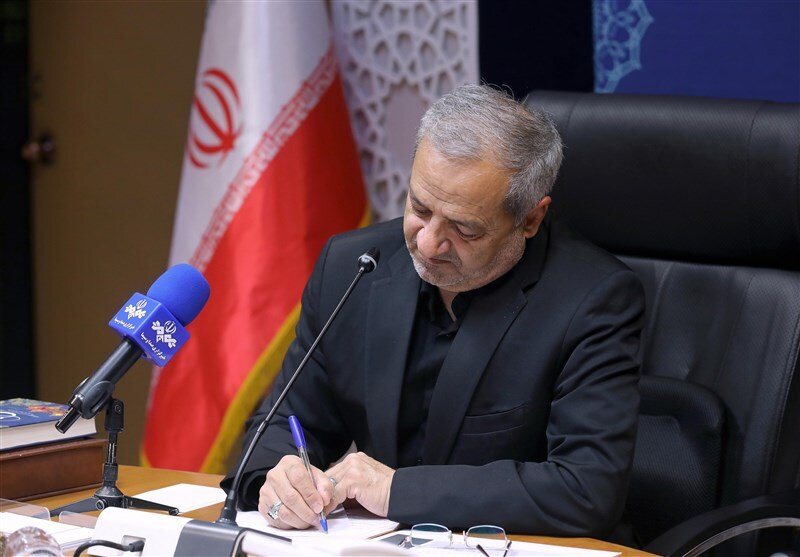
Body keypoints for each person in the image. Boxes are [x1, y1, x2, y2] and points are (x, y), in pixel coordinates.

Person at [222, 84, 645, 541]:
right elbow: (284, 424)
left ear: (530, 219)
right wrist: (280, 476)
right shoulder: (352, 267)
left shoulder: (593, 300)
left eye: (464, 229)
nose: (427, 244)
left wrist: (396, 490)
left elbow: (585, 488)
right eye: (420, 208)